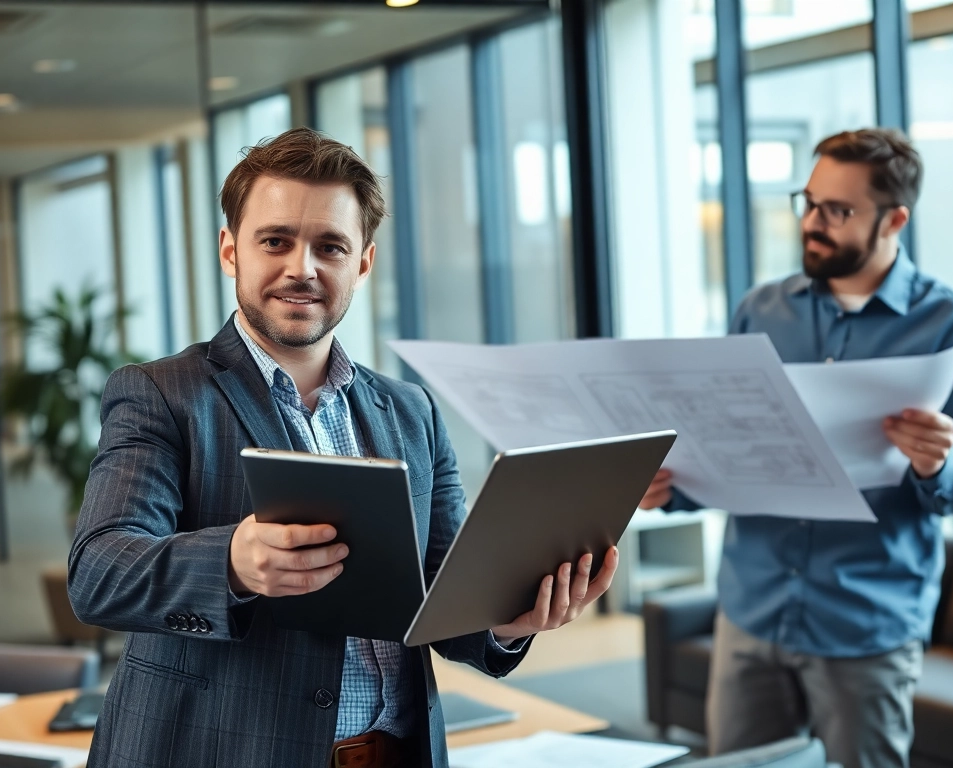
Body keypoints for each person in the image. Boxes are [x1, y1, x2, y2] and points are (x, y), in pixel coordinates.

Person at [68, 128, 618, 768]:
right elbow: (98, 572)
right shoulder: (161, 395)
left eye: (330, 246)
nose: (302, 268)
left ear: (362, 263)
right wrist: (232, 564)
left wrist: (505, 621)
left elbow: (443, 594)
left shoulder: (411, 410)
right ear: (230, 251)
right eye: (275, 241)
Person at [639, 128, 953, 768]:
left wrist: (939, 463)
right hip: (752, 606)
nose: (812, 223)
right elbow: (732, 447)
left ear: (894, 220)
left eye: (838, 210)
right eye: (807, 203)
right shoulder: (760, 311)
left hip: (866, 621)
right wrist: (673, 487)